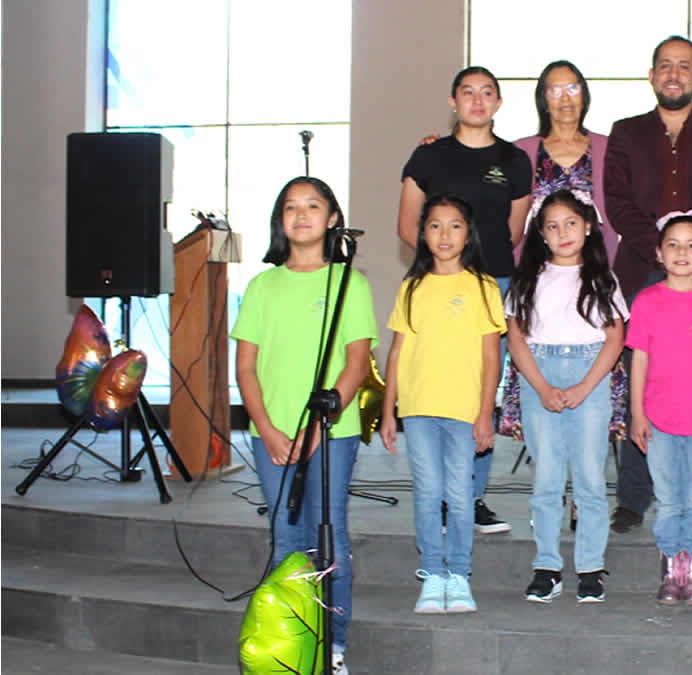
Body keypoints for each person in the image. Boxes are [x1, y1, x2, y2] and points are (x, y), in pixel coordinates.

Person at [232, 176, 377, 674]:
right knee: (288, 541)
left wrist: (318, 427)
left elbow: (357, 361)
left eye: (313, 205)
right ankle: (292, 641)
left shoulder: (349, 283)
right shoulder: (261, 286)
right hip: (270, 435)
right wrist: (269, 430)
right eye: (291, 207)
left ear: (333, 218)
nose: (302, 215)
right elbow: (245, 366)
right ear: (280, 221)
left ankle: (332, 646)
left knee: (328, 535)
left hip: (331, 434)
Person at [604, 35, 692, 535]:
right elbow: (616, 202)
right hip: (641, 268)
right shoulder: (625, 132)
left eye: (684, 66)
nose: (673, 74)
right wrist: (661, 250)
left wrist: (691, 248)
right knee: (639, 382)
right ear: (651, 75)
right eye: (664, 65)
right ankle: (633, 498)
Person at [397, 66, 532, 535]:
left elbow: (513, 231)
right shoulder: (428, 155)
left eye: (487, 93)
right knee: (436, 384)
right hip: (437, 284)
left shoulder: (514, 162)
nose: (477, 100)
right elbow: (408, 224)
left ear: (498, 103)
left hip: (492, 283)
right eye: (468, 92)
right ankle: (436, 497)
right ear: (453, 101)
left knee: (480, 390)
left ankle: (471, 496)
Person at [380, 194, 504, 615]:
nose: (444, 234)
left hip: (464, 412)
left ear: (468, 234)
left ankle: (460, 575)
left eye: (454, 225)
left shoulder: (483, 287)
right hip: (418, 410)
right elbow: (396, 352)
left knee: (460, 492)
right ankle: (432, 572)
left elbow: (492, 356)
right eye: (434, 225)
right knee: (428, 492)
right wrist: (387, 411)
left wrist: (486, 412)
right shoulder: (412, 287)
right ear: (422, 234)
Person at [506, 189, 627, 604]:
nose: (563, 233)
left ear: (589, 227)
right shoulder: (528, 280)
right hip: (539, 373)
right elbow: (516, 338)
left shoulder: (602, 280)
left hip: (588, 375)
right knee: (546, 478)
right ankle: (547, 566)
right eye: (553, 226)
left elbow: (614, 339)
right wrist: (541, 386)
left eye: (571, 224)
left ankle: (591, 567)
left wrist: (583, 387)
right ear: (540, 234)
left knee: (590, 479)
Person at [626, 210, 692, 606]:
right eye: (673, 245)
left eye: (691, 245)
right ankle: (671, 566)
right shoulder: (647, 302)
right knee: (668, 498)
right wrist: (637, 413)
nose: (682, 252)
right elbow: (639, 359)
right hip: (659, 421)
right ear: (659, 253)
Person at [514, 60, 618, 266]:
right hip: (535, 266)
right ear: (544, 100)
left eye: (573, 88)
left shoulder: (609, 148)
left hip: (596, 264)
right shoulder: (520, 151)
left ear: (584, 95)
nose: (565, 98)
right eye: (555, 90)